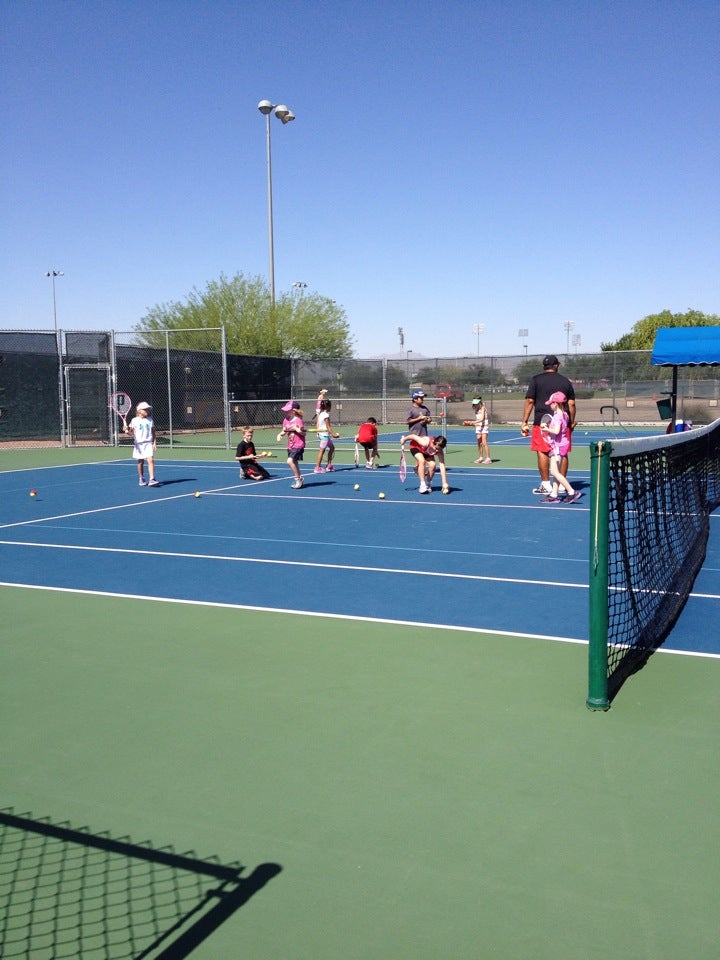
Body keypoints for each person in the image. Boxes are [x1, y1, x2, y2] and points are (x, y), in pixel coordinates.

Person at [520, 354, 576, 495]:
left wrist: (524, 421)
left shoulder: (536, 380)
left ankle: (546, 484)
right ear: (556, 365)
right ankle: (562, 485)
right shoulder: (565, 381)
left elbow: (530, 401)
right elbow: (571, 403)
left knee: (543, 451)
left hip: (542, 422)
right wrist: (571, 422)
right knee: (562, 452)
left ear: (544, 367)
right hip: (563, 422)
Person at [539, 392, 582, 504]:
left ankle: (572, 492)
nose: (550, 405)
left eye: (551, 403)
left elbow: (557, 431)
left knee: (554, 471)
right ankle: (554, 495)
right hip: (561, 445)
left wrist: (546, 429)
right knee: (556, 471)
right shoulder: (565, 414)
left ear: (556, 404)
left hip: (558, 446)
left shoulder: (557, 416)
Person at [405, 389, 434, 493]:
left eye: (423, 397)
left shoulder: (425, 409)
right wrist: (419, 418)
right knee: (421, 462)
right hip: (415, 440)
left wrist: (427, 420)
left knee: (432, 465)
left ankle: (428, 483)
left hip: (425, 441)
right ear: (414, 399)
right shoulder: (411, 410)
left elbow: (429, 419)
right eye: (421, 398)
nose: (423, 399)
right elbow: (408, 421)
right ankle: (422, 485)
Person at [126, 401, 159, 486]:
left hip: (148, 443)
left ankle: (152, 479)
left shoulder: (150, 420)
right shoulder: (134, 420)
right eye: (145, 409)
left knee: (151, 460)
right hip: (139, 445)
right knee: (140, 462)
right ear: (139, 411)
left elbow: (153, 432)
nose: (147, 411)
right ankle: (141, 478)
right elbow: (132, 433)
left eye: (148, 409)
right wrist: (126, 431)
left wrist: (154, 443)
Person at [277, 400, 306, 489]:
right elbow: (284, 430)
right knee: (295, 462)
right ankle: (300, 478)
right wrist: (280, 434)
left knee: (289, 461)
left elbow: (303, 433)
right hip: (290, 445)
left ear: (293, 411)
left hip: (298, 444)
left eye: (287, 410)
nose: (285, 411)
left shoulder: (298, 420)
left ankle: (297, 479)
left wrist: (297, 430)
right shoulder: (286, 420)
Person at [314, 398, 340, 473]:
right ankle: (317, 467)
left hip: (324, 435)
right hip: (324, 436)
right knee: (322, 451)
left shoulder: (321, 414)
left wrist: (318, 432)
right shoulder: (325, 415)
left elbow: (318, 424)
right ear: (328, 406)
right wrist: (334, 435)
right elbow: (328, 427)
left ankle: (329, 466)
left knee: (332, 448)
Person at [463, 396, 491, 464]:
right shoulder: (476, 409)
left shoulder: (483, 408)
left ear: (479, 402)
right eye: (474, 403)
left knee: (484, 442)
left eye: (476, 403)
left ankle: (488, 458)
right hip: (478, 427)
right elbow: (478, 420)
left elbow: (482, 419)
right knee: (479, 443)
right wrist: (470, 424)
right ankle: (481, 458)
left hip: (484, 426)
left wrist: (472, 422)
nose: (475, 404)